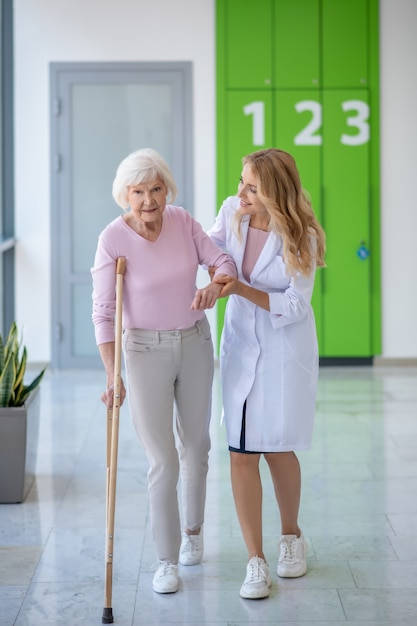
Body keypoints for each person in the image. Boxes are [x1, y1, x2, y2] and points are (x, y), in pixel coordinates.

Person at [91, 148, 237, 595]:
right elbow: (103, 311)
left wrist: (215, 285)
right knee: (163, 459)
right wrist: (113, 373)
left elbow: (224, 263)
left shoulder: (184, 221)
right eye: (139, 192)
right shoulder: (112, 239)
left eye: (156, 189)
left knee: (197, 446)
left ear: (166, 189)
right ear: (125, 195)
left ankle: (193, 534)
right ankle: (166, 559)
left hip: (194, 344)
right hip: (143, 350)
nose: (149, 200)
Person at [204, 148, 325, 599]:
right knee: (240, 452)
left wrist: (239, 288)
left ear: (274, 191)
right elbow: (210, 253)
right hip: (240, 346)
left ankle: (291, 537)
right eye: (241, 182)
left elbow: (295, 304)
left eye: (252, 188)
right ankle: (255, 561)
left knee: (277, 448)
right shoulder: (231, 213)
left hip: (282, 350)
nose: (241, 194)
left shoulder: (302, 235)